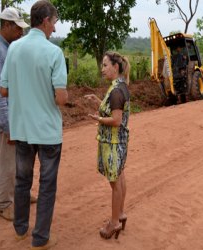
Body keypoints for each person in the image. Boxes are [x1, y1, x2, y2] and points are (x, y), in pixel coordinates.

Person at [0, 0, 68, 249]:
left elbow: (4, 89)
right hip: (48, 132)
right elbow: (61, 98)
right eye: (54, 23)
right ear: (46, 21)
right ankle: (40, 239)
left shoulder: (14, 48)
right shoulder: (53, 53)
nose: (55, 29)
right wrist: (53, 94)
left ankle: (20, 230)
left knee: (22, 180)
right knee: (47, 185)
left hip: (23, 129)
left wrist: (25, 90)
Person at [0, 7, 34, 221]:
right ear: (6, 25)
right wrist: (9, 126)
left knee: (16, 159)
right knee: (7, 162)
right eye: (17, 28)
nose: (20, 33)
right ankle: (3, 204)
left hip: (13, 117)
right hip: (7, 120)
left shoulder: (5, 48)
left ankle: (19, 193)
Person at [85, 51, 130, 240]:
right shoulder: (119, 87)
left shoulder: (117, 90)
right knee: (119, 177)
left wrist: (99, 119)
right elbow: (112, 108)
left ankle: (114, 223)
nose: (102, 69)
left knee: (114, 183)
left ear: (115, 67)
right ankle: (120, 214)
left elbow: (116, 120)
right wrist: (98, 101)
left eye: (105, 65)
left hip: (112, 144)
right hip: (118, 142)